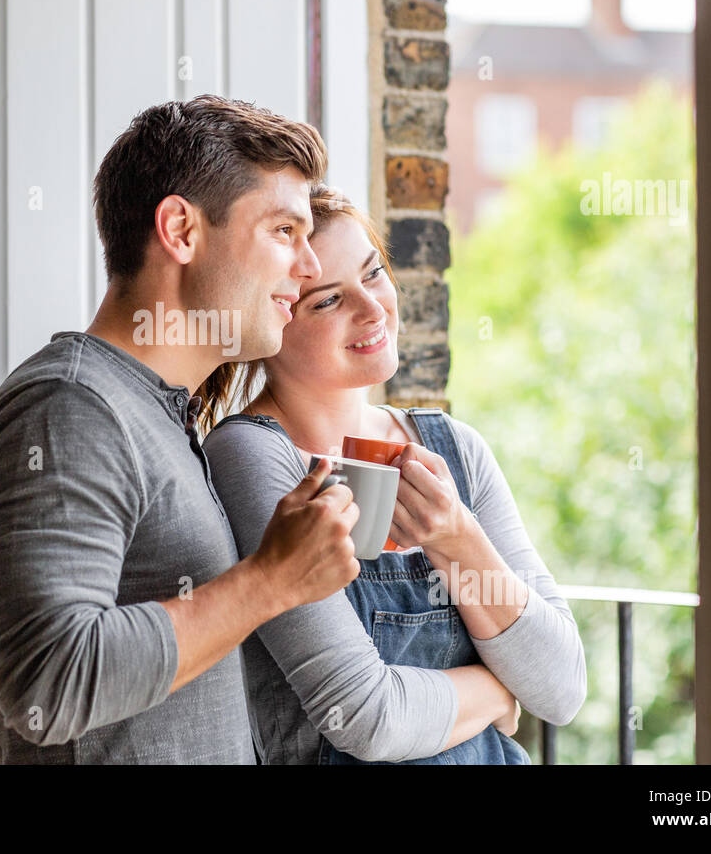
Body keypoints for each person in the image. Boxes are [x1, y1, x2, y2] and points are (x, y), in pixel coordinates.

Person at [0, 96, 366, 763]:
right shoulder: (68, 408)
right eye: (283, 232)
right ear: (180, 230)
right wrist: (270, 580)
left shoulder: (157, 413)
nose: (310, 265)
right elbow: (46, 684)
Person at [198, 184, 588, 764]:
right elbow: (368, 720)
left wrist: (456, 535)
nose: (373, 308)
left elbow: (562, 687)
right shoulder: (253, 456)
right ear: (271, 320)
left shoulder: (453, 446)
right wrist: (501, 691)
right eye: (327, 301)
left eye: (374, 272)